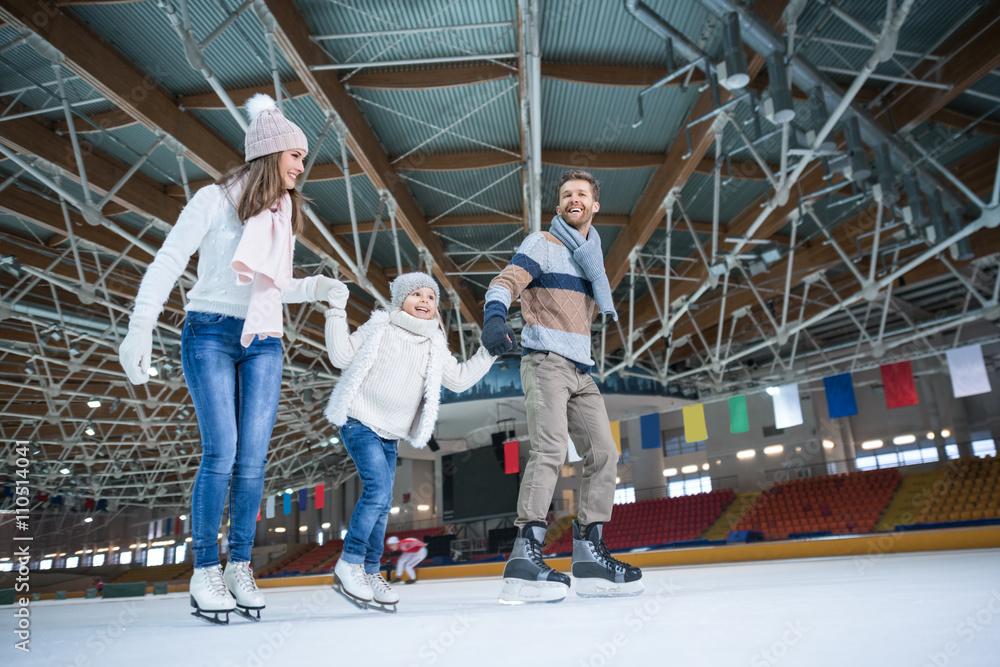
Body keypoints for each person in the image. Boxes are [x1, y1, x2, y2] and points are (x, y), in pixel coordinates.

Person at [118, 94, 338, 625]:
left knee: (253, 459)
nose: (301, 168)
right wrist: (140, 323)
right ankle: (204, 570)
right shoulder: (214, 201)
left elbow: (275, 286)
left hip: (263, 338)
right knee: (223, 451)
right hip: (209, 332)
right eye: (295, 156)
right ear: (270, 153)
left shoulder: (282, 214)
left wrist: (319, 286)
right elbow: (169, 258)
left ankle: (240, 563)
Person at [481, 169, 644, 603]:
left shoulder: (592, 259)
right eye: (567, 194)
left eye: (582, 194)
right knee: (550, 448)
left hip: (581, 370)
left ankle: (589, 552)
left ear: (594, 206)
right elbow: (504, 282)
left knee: (605, 453)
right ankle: (525, 552)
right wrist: (495, 317)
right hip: (546, 363)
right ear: (559, 207)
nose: (574, 199)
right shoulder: (543, 243)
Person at [323, 272, 495, 612]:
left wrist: (489, 352)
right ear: (400, 299)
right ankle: (350, 561)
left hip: (390, 433)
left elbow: (459, 380)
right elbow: (341, 357)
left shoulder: (434, 343)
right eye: (416, 294)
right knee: (377, 490)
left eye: (430, 297)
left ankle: (371, 571)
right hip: (359, 420)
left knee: (383, 499)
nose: (425, 301)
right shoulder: (380, 326)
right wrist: (335, 310)